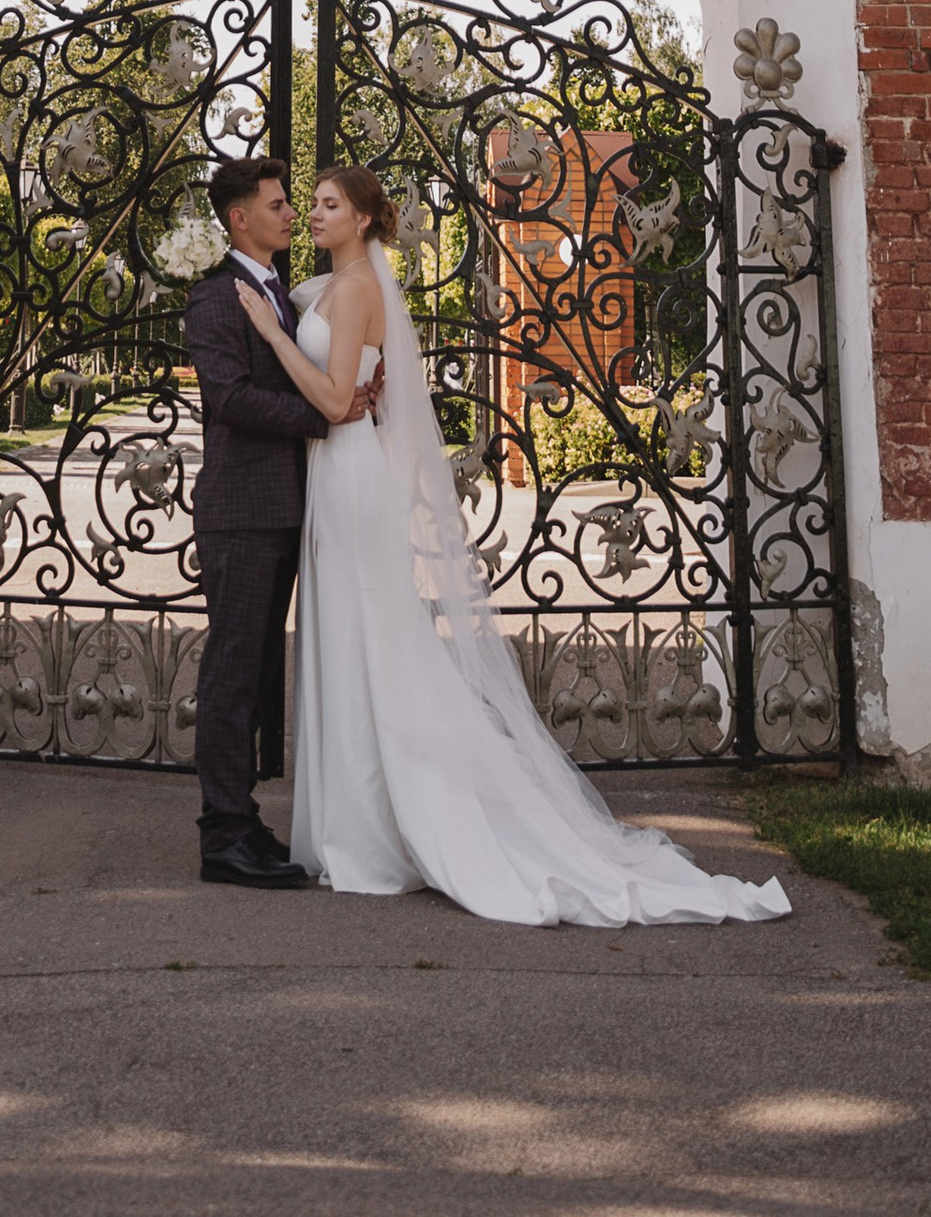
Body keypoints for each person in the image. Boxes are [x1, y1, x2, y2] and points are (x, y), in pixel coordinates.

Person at [236, 165, 796, 928]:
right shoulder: (326, 287)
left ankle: (374, 835)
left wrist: (273, 334)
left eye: (331, 205)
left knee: (372, 641)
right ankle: (350, 828)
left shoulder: (362, 284)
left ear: (365, 220)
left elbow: (336, 401)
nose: (315, 214)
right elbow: (356, 373)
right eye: (314, 204)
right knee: (348, 643)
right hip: (333, 477)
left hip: (351, 474)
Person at [181, 150, 371, 887]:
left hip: (287, 511)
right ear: (240, 219)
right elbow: (226, 399)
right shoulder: (215, 296)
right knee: (233, 673)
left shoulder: (282, 293)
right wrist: (323, 416)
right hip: (241, 514)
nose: (291, 212)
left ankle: (246, 821)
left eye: (294, 202)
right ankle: (222, 836)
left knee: (260, 673)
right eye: (278, 204)